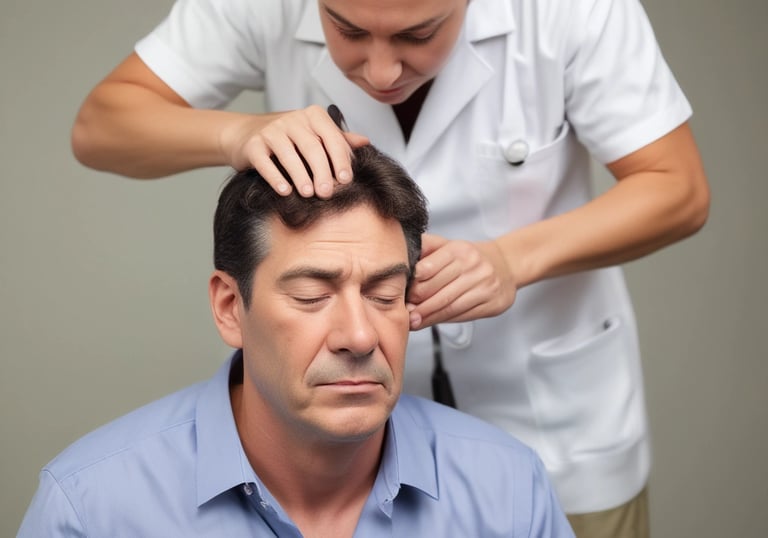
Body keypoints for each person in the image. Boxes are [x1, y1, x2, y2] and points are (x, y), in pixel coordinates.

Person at [71, 0, 711, 534]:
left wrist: (512, 260)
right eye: (346, 29)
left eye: (418, 33)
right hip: (330, 441)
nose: (379, 72)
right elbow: (100, 126)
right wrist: (234, 134)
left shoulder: (570, 12)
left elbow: (677, 187)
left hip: (553, 424)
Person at [18, 145, 574, 537]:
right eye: (311, 295)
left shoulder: (509, 490)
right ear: (231, 308)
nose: (359, 336)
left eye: (384, 295)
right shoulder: (92, 508)